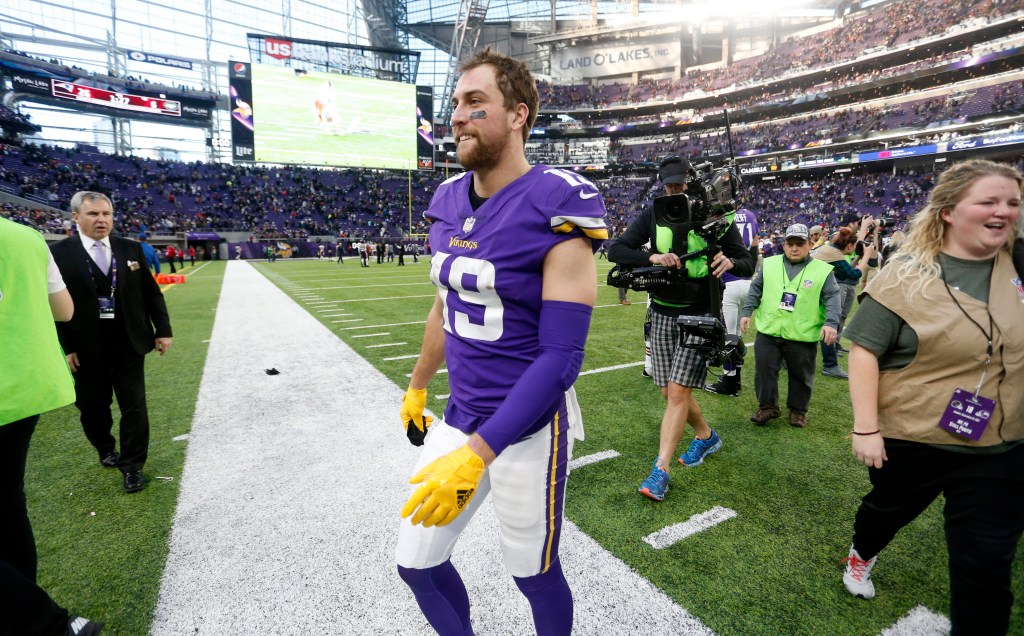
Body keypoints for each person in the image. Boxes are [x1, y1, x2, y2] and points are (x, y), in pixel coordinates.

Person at [395, 48, 607, 636]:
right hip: (461, 414)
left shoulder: (556, 201)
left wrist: (479, 452)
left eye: (475, 103)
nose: (458, 116)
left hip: (528, 425)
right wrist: (417, 386)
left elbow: (562, 356)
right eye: (456, 104)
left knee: (533, 576)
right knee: (416, 564)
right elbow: (446, 304)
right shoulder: (444, 201)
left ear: (518, 115)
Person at [841, 159, 1024, 635]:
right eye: (988, 201)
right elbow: (864, 351)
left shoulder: (1017, 263)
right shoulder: (904, 274)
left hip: (1001, 445)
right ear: (948, 210)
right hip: (919, 435)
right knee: (887, 511)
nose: (1003, 211)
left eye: (1012, 202)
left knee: (986, 563)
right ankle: (862, 553)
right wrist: (866, 428)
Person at [607, 155, 754, 501]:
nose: (676, 190)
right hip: (661, 312)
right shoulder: (654, 213)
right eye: (670, 185)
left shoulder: (717, 218)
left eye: (681, 184)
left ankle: (660, 471)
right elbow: (616, 249)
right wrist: (652, 258)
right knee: (667, 391)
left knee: (677, 394)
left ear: (692, 182)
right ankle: (706, 436)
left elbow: (748, 262)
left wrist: (731, 260)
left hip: (699, 316)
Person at [0, 218, 104, 636]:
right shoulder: (24, 235)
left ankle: (48, 624)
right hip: (25, 386)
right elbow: (65, 308)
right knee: (7, 507)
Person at [50, 191, 173, 494]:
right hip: (85, 345)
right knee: (93, 407)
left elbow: (151, 293)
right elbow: (50, 306)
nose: (102, 220)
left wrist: (163, 330)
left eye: (106, 214)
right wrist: (65, 348)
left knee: (134, 406)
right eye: (93, 214)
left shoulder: (130, 248)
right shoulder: (57, 253)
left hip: (129, 341)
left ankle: (132, 467)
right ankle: (105, 448)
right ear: (76, 217)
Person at [741, 224, 841, 428]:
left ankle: (798, 411)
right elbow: (756, 288)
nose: (795, 248)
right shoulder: (769, 264)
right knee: (764, 371)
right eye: (790, 244)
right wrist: (746, 311)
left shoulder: (822, 270)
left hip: (802, 333)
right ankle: (768, 407)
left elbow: (832, 296)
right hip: (769, 329)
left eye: (800, 244)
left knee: (801, 375)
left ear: (810, 244)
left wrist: (831, 323)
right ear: (784, 245)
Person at [704, 207, 759, 396]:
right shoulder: (750, 215)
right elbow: (754, 243)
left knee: (727, 335)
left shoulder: (722, 216)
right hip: (746, 279)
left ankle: (729, 381)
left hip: (729, 279)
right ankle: (735, 379)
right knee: (735, 335)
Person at [811, 227, 875, 379]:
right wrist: (866, 255)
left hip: (806, 288)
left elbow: (847, 273)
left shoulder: (830, 251)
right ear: (849, 245)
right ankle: (830, 366)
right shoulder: (834, 254)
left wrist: (859, 258)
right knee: (828, 325)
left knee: (806, 324)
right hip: (809, 290)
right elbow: (855, 274)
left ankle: (785, 359)